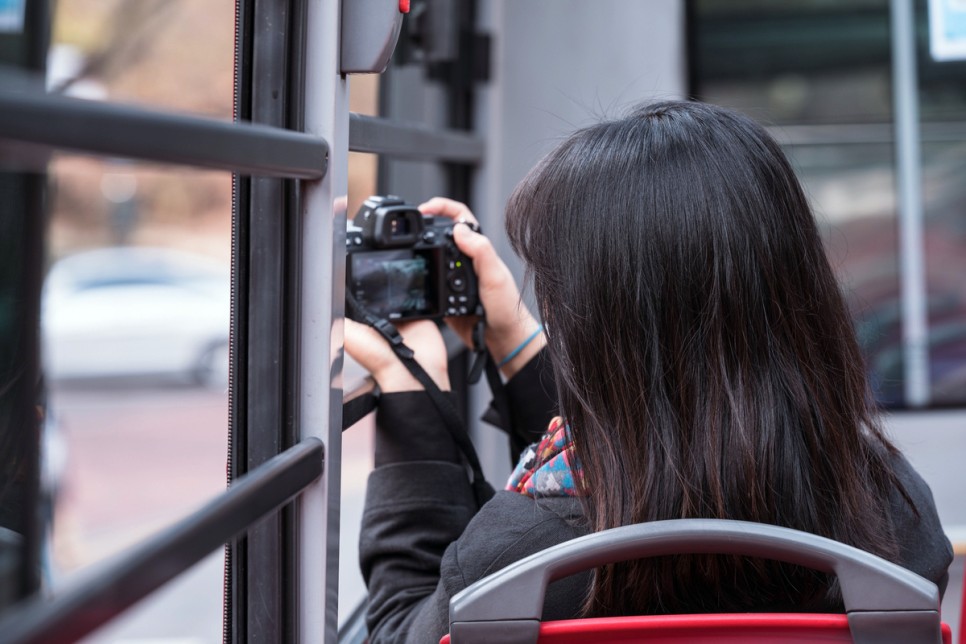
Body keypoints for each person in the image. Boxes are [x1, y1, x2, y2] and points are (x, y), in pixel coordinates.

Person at [344, 100, 954, 643]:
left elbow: (401, 627)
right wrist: (519, 343)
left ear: (596, 330)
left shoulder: (517, 561)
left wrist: (410, 392)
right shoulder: (898, 519)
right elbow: (648, 424)